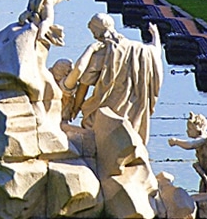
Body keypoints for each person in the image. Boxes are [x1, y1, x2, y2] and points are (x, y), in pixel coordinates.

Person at [63, 13, 162, 143]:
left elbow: (83, 85)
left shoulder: (100, 53)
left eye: (93, 32)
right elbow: (155, 52)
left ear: (98, 32)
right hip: (133, 109)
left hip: (107, 110)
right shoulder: (140, 50)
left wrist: (76, 107)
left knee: (90, 121)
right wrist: (155, 35)